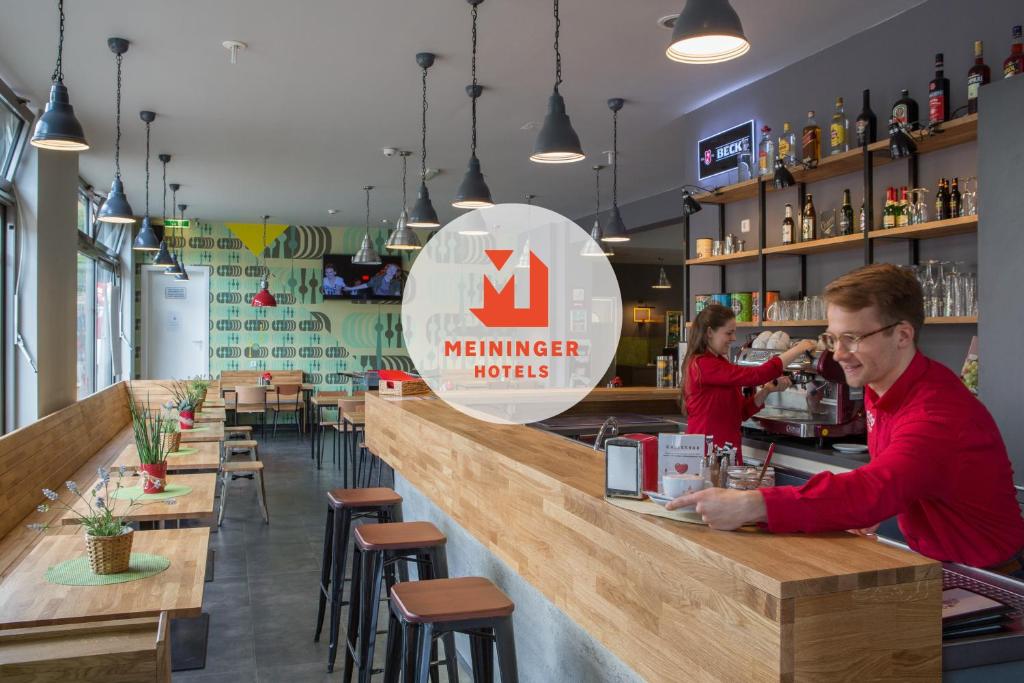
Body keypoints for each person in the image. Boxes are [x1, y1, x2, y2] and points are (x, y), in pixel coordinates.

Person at [668, 264, 1024, 573]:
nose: (838, 354)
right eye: (833, 339)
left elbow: (876, 487)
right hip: (935, 559)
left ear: (902, 335)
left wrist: (754, 504)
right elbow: (903, 484)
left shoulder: (936, 412)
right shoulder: (878, 386)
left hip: (989, 575)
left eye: (852, 339)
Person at [682, 303, 817, 462]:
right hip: (708, 453)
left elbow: (742, 413)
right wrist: (798, 349)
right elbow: (757, 375)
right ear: (710, 332)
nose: (733, 338)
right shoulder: (702, 364)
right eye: (729, 333)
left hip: (725, 451)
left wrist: (767, 390)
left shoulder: (719, 363)